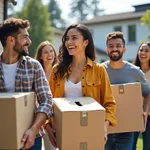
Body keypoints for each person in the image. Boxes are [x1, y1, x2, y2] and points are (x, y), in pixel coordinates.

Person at [46, 23, 117, 148]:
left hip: (91, 129)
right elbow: (48, 102)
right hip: (63, 131)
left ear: (86, 42)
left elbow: (109, 103)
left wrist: (104, 127)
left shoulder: (99, 70)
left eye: (74, 38)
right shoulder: (57, 70)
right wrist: (47, 126)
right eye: (67, 39)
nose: (69, 42)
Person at [0, 18, 53, 150]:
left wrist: (34, 129)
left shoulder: (33, 66)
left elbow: (46, 100)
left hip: (31, 139)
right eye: (25, 37)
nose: (29, 42)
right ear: (11, 40)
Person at [102, 31, 150, 150]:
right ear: (107, 49)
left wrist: (144, 113)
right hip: (105, 128)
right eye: (111, 46)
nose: (115, 49)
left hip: (127, 131)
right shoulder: (100, 71)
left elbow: (147, 93)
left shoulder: (135, 72)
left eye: (118, 46)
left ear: (124, 49)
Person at [35, 41, 57, 150]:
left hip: (57, 117)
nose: (50, 55)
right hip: (42, 117)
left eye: (51, 51)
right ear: (40, 56)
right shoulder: (36, 73)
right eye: (46, 52)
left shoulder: (60, 72)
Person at [132, 42, 150, 150]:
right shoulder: (133, 71)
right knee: (130, 146)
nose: (143, 53)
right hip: (134, 115)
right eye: (141, 50)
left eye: (146, 51)